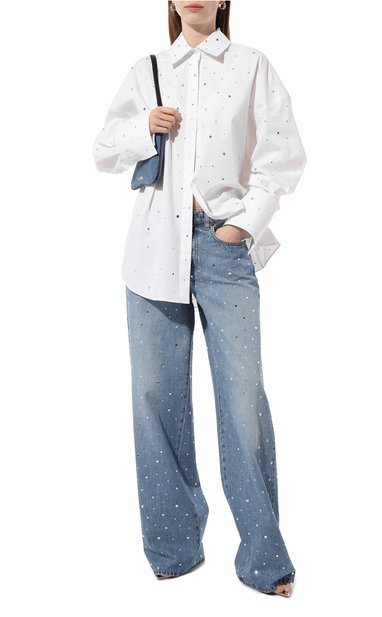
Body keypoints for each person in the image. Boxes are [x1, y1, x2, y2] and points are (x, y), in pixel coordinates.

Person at [92, 0, 306, 598]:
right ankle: (174, 550)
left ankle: (264, 559)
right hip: (154, 245)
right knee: (154, 398)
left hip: (223, 246)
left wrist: (244, 223)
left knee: (243, 400)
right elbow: (103, 150)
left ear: (223, 1)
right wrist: (144, 127)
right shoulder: (148, 69)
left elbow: (284, 155)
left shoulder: (252, 65)